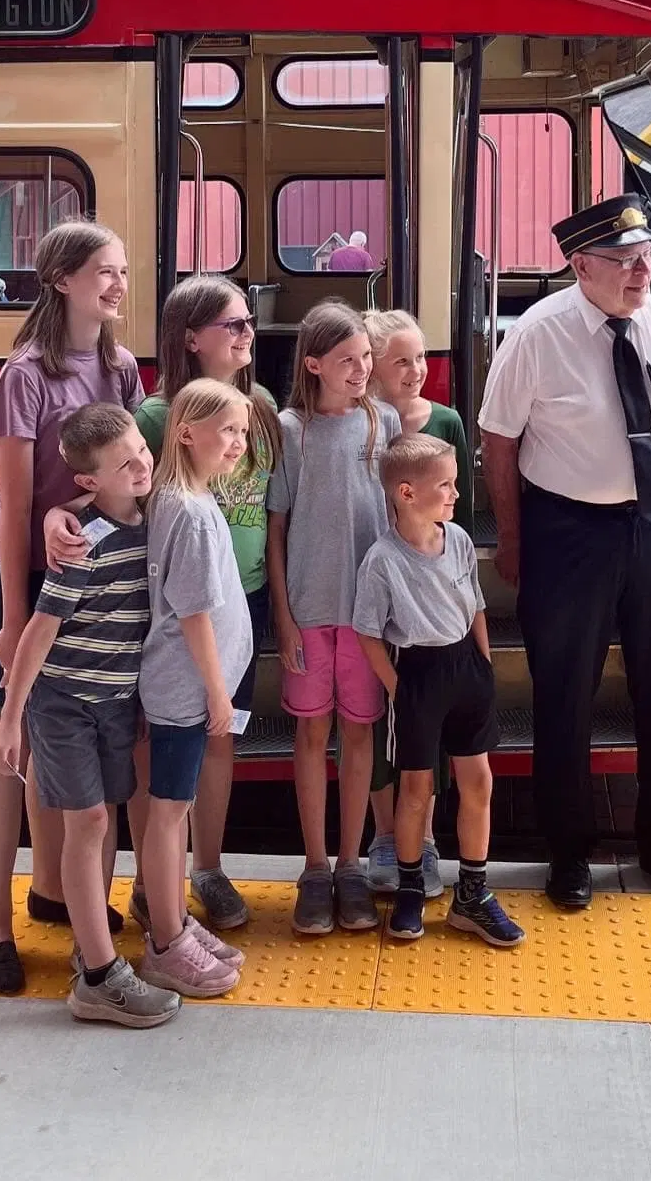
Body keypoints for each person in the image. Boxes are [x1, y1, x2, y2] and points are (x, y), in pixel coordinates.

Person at [478, 194, 651, 913]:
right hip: (569, 531)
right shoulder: (537, 336)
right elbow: (498, 438)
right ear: (580, 265)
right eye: (624, 261)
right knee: (565, 694)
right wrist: (515, 538)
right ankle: (568, 852)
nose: (642, 271)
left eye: (647, 258)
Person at [46, 274, 281, 934]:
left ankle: (205, 867)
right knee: (165, 757)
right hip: (177, 612)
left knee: (220, 744)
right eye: (232, 324)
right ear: (190, 337)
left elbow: (271, 507)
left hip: (244, 595)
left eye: (247, 322)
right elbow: (117, 491)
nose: (246, 334)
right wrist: (61, 515)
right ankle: (159, 887)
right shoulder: (155, 416)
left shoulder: (257, 403)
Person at [0, 221, 143, 995]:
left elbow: (135, 477)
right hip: (23, 578)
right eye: (105, 272)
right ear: (63, 279)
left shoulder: (122, 368)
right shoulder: (25, 374)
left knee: (65, 745)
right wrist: (12, 618)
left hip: (92, 584)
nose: (117, 285)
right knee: (3, 746)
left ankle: (60, 901)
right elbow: (13, 508)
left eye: (123, 272)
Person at [0, 404, 179, 1028]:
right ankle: (98, 977)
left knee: (106, 819)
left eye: (142, 452)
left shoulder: (155, 522)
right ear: (89, 483)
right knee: (89, 821)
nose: (142, 466)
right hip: (65, 702)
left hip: (116, 701)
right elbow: (41, 632)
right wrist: (11, 718)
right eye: (126, 465)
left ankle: (90, 946)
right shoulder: (85, 541)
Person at [353, 433, 523, 948]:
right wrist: (398, 688)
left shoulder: (461, 542)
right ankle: (410, 888)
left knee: (479, 782)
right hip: (418, 674)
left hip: (465, 668)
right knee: (416, 791)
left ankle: (472, 892)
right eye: (445, 485)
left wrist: (485, 667)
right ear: (406, 493)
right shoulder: (382, 560)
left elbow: (474, 605)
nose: (455, 495)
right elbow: (367, 631)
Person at [268, 299, 401, 935]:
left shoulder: (386, 423)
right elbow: (277, 528)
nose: (360, 370)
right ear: (314, 363)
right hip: (310, 610)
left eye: (366, 359)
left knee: (358, 735)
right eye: (347, 360)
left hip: (367, 617)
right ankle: (315, 867)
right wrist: (285, 619)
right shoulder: (290, 430)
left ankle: (351, 863)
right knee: (311, 734)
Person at [137, 379, 254, 998]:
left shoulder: (186, 500)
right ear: (185, 432)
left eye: (241, 432)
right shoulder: (190, 509)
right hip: (186, 688)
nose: (237, 442)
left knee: (172, 812)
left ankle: (174, 921)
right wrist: (217, 691)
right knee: (168, 815)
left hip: (187, 686)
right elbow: (193, 613)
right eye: (227, 430)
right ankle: (165, 943)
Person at [363, 308, 474, 896]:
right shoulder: (370, 424)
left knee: (426, 731)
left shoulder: (447, 421)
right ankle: (388, 834)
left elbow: (460, 510)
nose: (415, 371)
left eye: (421, 358)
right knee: (384, 719)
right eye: (400, 360)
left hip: (434, 605)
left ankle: (424, 838)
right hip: (383, 592)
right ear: (373, 367)